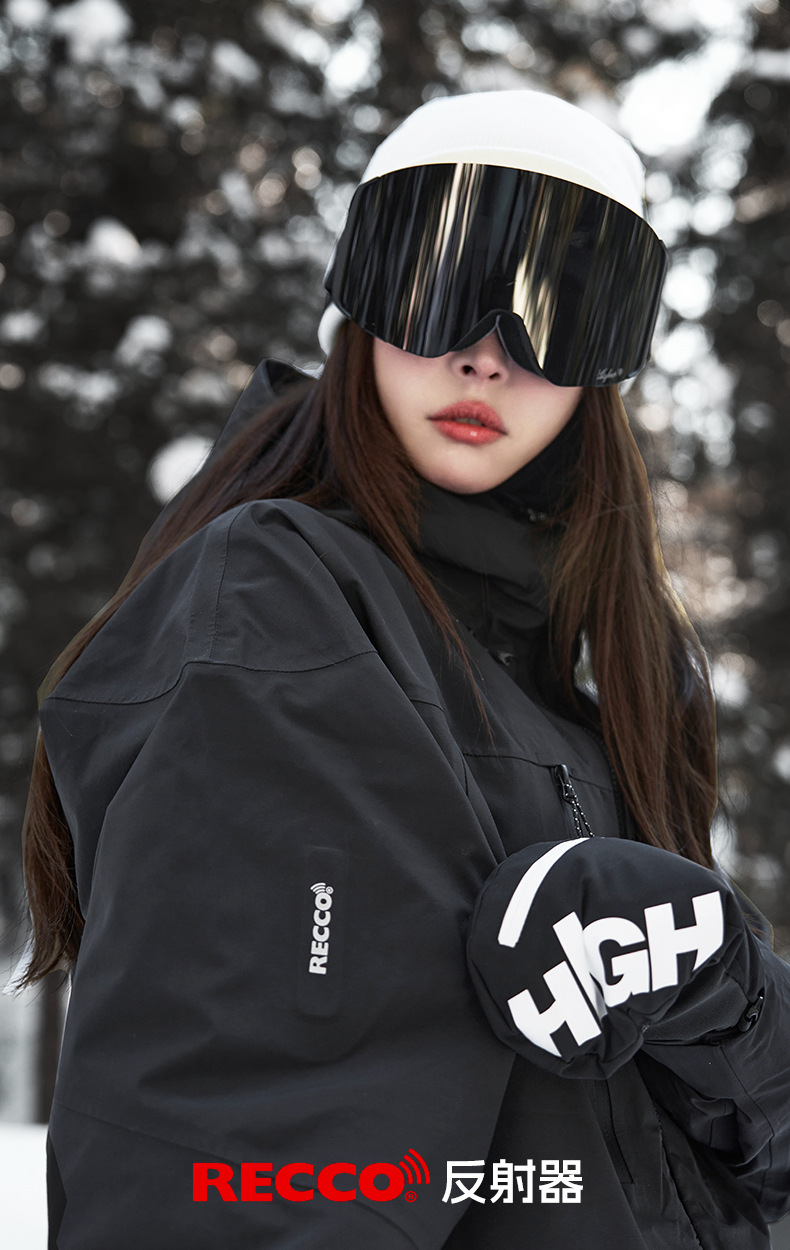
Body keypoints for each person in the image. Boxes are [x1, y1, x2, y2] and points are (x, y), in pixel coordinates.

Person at [19, 90, 790, 1248]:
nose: (485, 353)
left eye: (555, 308)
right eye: (437, 285)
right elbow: (242, 1172)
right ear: (361, 310)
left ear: (606, 367)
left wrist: (727, 984)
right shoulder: (277, 601)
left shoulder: (592, 706)